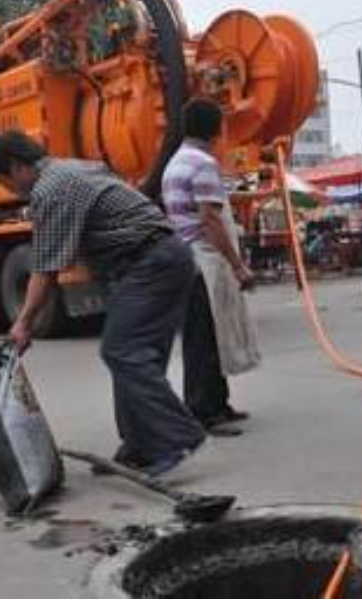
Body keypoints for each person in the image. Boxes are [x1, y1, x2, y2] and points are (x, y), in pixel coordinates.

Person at [0, 131, 205, 477]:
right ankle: (141, 445)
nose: (7, 189)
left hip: (150, 261)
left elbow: (46, 267)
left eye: (2, 180)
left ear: (16, 166)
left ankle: (177, 438)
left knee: (123, 352)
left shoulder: (50, 189)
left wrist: (23, 323)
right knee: (136, 355)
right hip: (157, 258)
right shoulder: (72, 169)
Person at [162, 98, 260, 436]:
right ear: (216, 129)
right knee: (204, 339)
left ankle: (218, 404)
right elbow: (211, 221)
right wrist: (238, 266)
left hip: (185, 259)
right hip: (203, 261)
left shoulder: (175, 162)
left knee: (207, 335)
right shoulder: (203, 164)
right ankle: (203, 412)